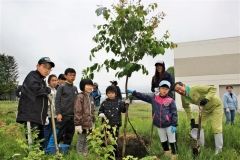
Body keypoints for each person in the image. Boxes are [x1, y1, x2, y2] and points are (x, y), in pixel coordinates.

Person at [128, 80, 178, 159]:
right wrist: (134, 93)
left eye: (166, 89)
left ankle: (174, 155)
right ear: (159, 88)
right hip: (158, 124)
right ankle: (167, 153)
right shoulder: (154, 98)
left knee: (172, 140)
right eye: (162, 88)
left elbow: (174, 113)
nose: (164, 90)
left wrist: (174, 124)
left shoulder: (171, 101)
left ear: (168, 90)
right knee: (163, 140)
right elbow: (143, 96)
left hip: (169, 125)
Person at [174, 82, 223, 154]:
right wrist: (191, 120)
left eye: (179, 88)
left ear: (183, 86)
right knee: (198, 127)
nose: (179, 91)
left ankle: (218, 150)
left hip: (216, 106)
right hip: (205, 110)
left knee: (216, 127)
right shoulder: (183, 97)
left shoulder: (195, 89)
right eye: (177, 91)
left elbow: (213, 88)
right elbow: (186, 107)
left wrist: (207, 98)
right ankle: (200, 147)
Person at [16, 57, 55, 149]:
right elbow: (36, 89)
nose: (47, 70)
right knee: (32, 143)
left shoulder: (41, 80)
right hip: (30, 116)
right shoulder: (32, 75)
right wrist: (47, 89)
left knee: (40, 142)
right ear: (37, 66)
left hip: (38, 117)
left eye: (49, 68)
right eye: (45, 66)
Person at [98, 85, 129, 158]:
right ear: (106, 94)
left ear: (115, 94)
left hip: (116, 125)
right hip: (105, 125)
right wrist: (101, 114)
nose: (110, 94)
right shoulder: (104, 103)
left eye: (112, 93)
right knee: (104, 138)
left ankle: (115, 154)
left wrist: (126, 104)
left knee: (114, 140)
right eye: (109, 93)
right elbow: (100, 111)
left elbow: (124, 110)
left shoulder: (119, 102)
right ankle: (104, 153)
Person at [55, 68, 78, 145]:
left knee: (70, 134)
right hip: (63, 115)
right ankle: (55, 150)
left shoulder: (75, 88)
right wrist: (58, 113)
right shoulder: (61, 87)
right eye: (70, 75)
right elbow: (57, 100)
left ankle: (66, 149)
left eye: (74, 75)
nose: (72, 77)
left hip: (72, 116)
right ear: (65, 76)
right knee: (59, 133)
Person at [74, 79, 95, 156]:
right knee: (81, 139)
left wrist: (93, 122)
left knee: (88, 139)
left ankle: (85, 153)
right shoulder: (80, 96)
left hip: (89, 123)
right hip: (82, 123)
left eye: (91, 85)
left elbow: (92, 111)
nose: (90, 87)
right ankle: (79, 154)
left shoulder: (91, 97)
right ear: (83, 86)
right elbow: (77, 111)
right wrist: (77, 124)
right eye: (88, 85)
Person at [44, 74, 58, 149]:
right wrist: (45, 115)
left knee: (52, 133)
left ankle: (48, 148)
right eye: (53, 80)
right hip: (48, 115)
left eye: (56, 80)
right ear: (49, 82)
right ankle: (44, 148)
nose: (55, 82)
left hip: (54, 115)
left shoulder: (55, 90)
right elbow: (46, 104)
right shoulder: (47, 90)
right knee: (46, 133)